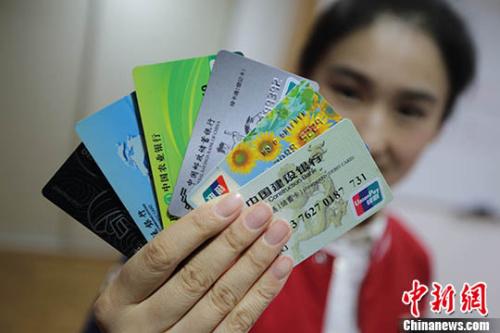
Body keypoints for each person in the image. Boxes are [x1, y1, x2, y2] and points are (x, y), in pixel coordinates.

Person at [90, 0, 476, 332]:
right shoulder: (203, 224)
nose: (371, 138)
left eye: (410, 111)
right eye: (348, 91)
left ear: (438, 128)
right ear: (300, 84)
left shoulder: (415, 258)